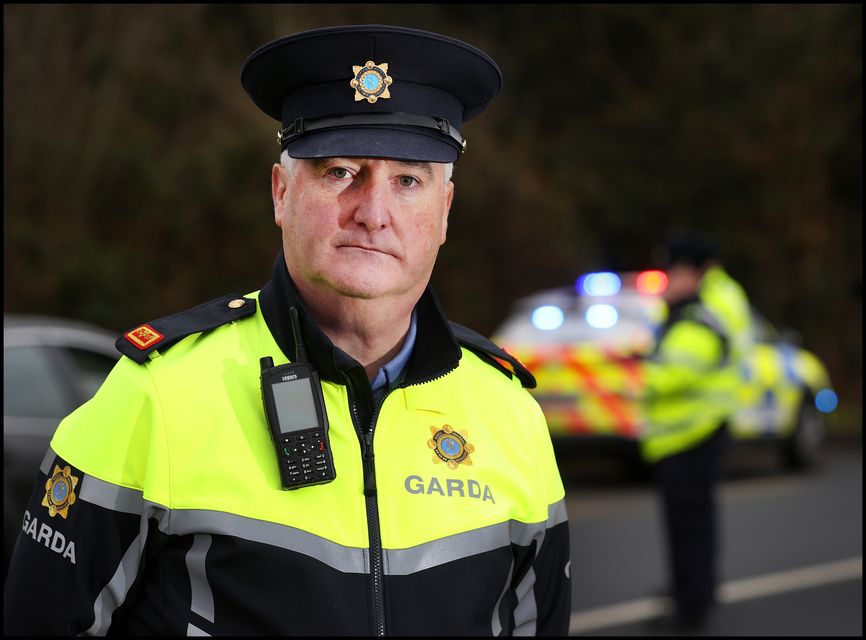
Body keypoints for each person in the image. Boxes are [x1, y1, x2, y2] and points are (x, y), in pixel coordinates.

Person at [4, 25, 571, 635]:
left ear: (445, 211)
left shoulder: (510, 412)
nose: (373, 212)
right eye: (340, 173)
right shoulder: (156, 394)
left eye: (407, 181)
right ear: (280, 193)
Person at [640, 234, 751, 632]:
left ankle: (691, 607)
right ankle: (694, 591)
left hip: (691, 428)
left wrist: (638, 375)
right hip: (699, 425)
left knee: (688, 525)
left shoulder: (706, 307)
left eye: (675, 270)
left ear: (696, 270)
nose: (669, 280)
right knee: (695, 523)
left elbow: (681, 367)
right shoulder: (721, 296)